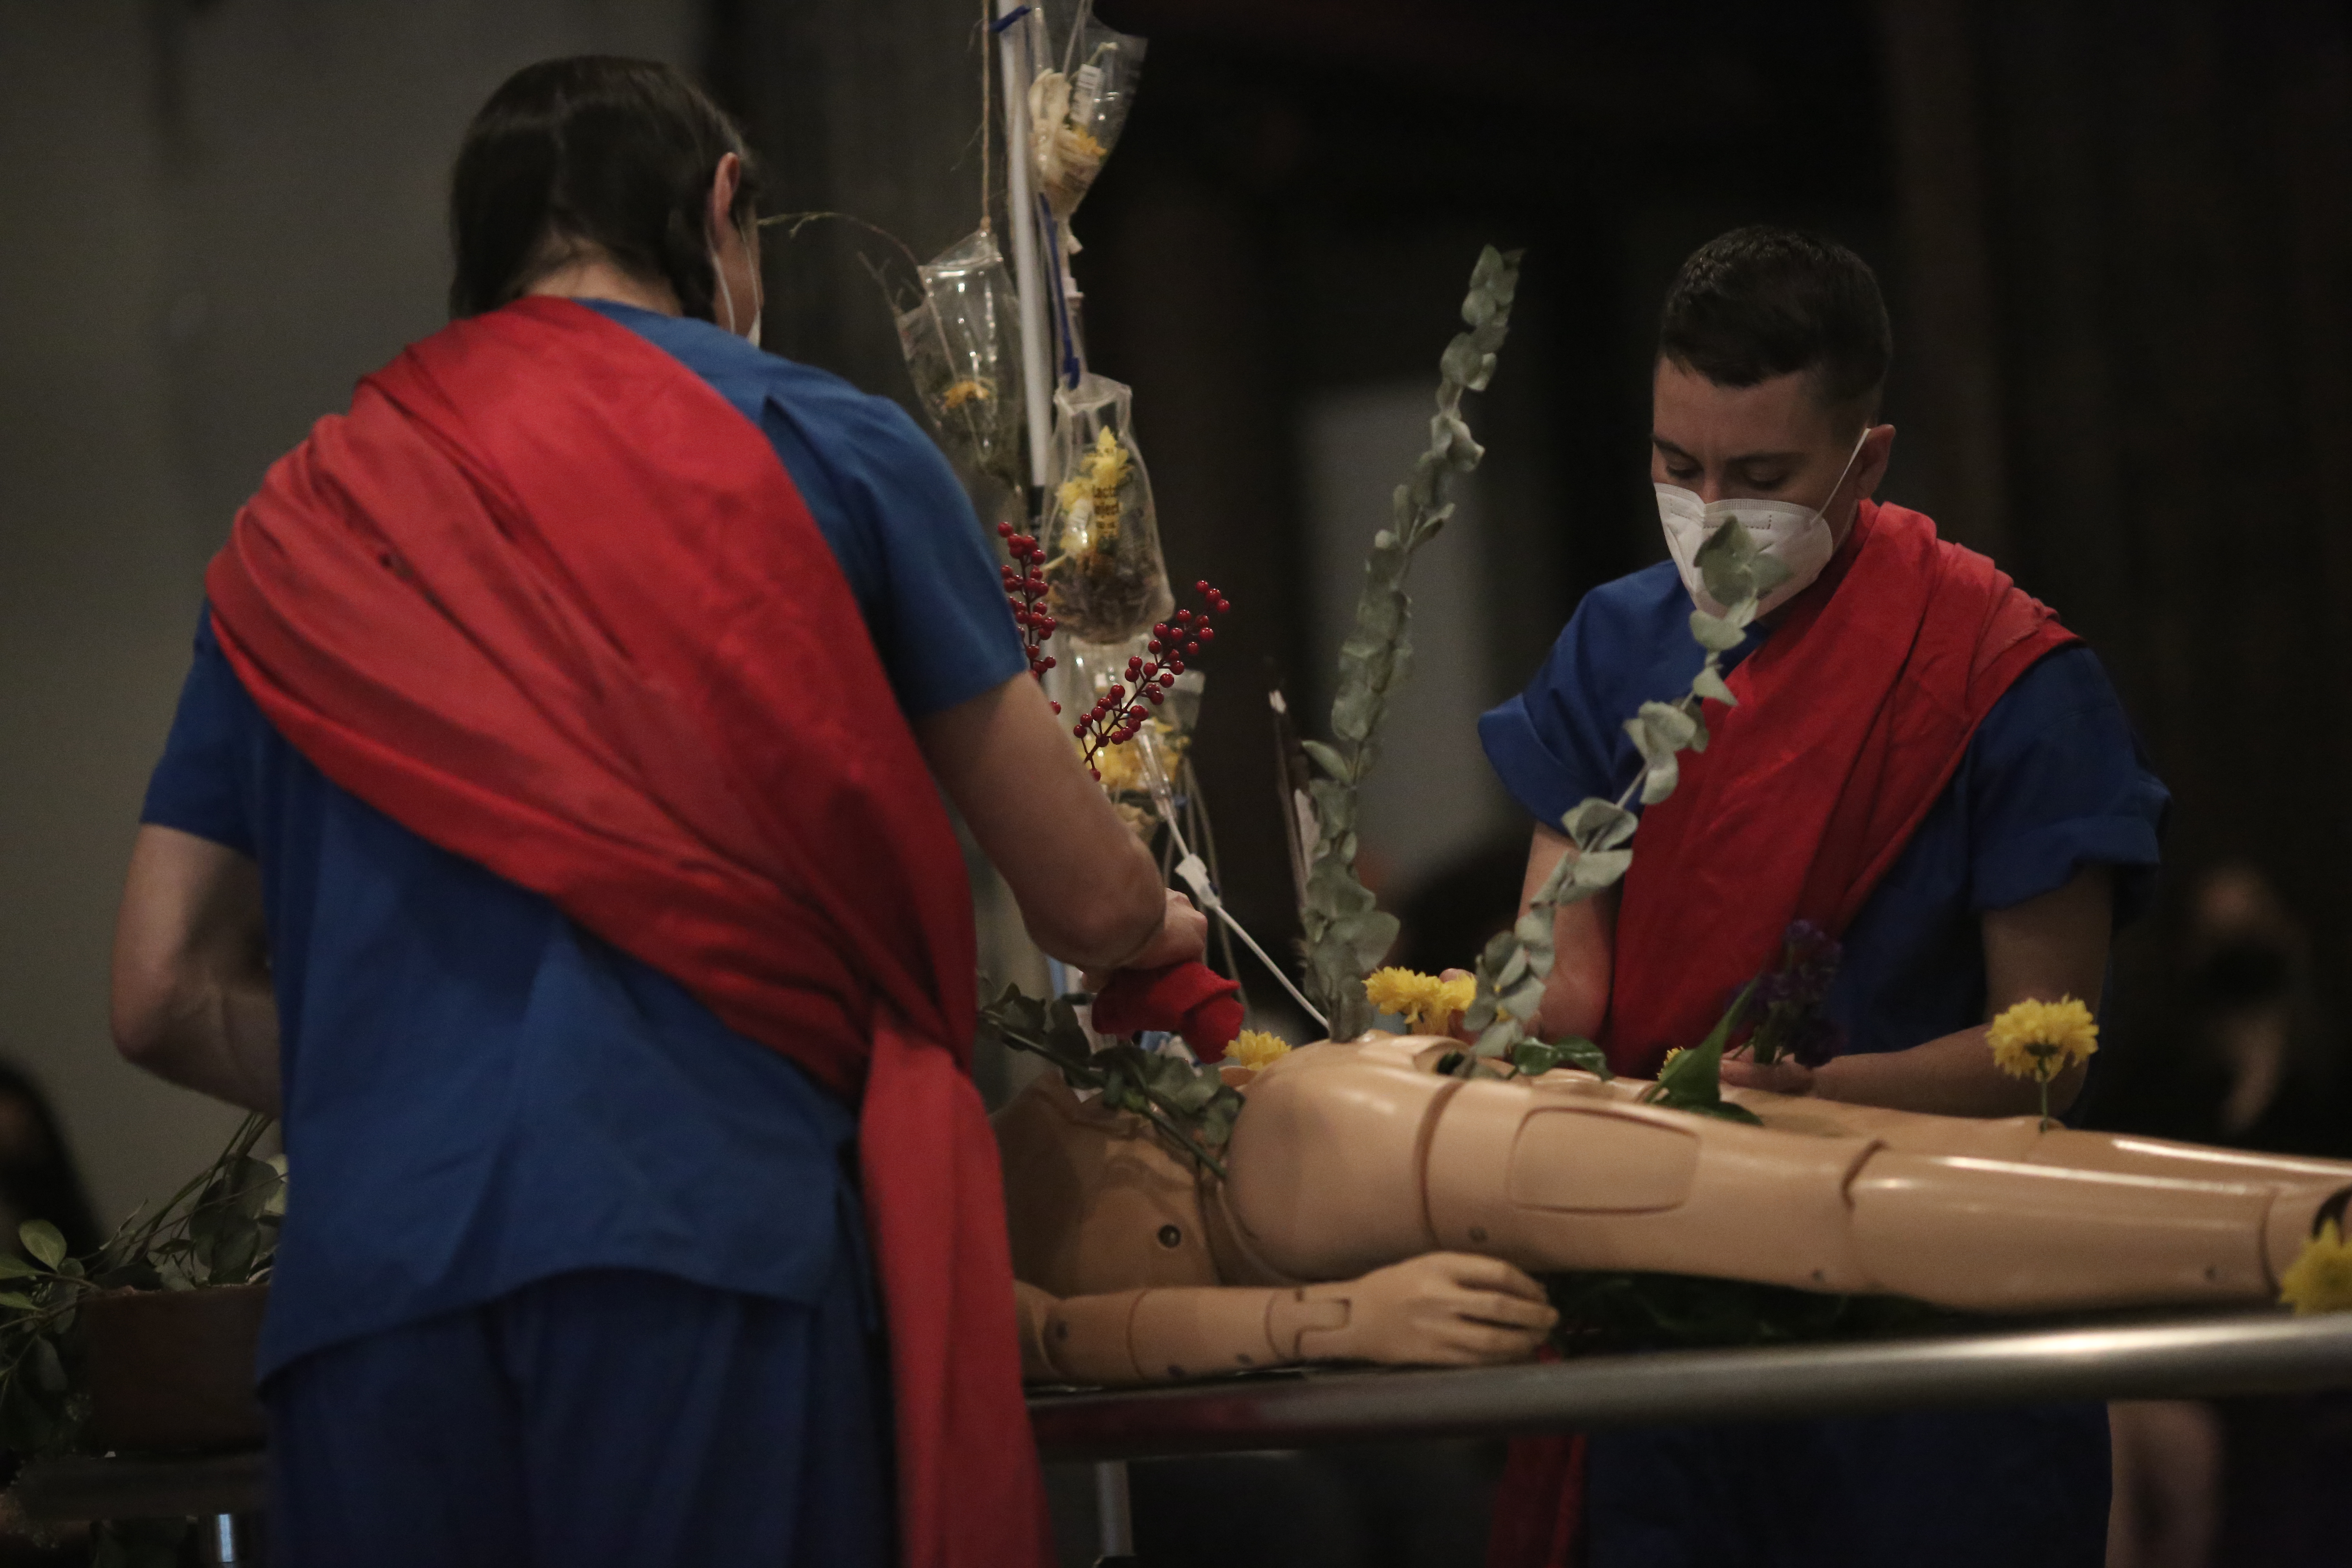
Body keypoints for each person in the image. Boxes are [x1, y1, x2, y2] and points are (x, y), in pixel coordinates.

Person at [106, 56, 1201, 1568]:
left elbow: (159, 991)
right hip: (702, 1250)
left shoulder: (312, 511)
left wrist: (405, 1077)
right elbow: (1083, 903)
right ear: (722, 207)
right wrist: (1168, 919)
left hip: (369, 1301)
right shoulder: (828, 444)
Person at [1477, 227, 2169, 1567]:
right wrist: (1466, 1047)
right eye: (1678, 468)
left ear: (1870, 458)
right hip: (1660, 1300)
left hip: (1923, 1334)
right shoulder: (1612, 646)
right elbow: (1558, 980)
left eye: (1761, 477)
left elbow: (2044, 1062)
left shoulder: (2002, 675)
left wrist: (1817, 1099)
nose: (1709, 510)